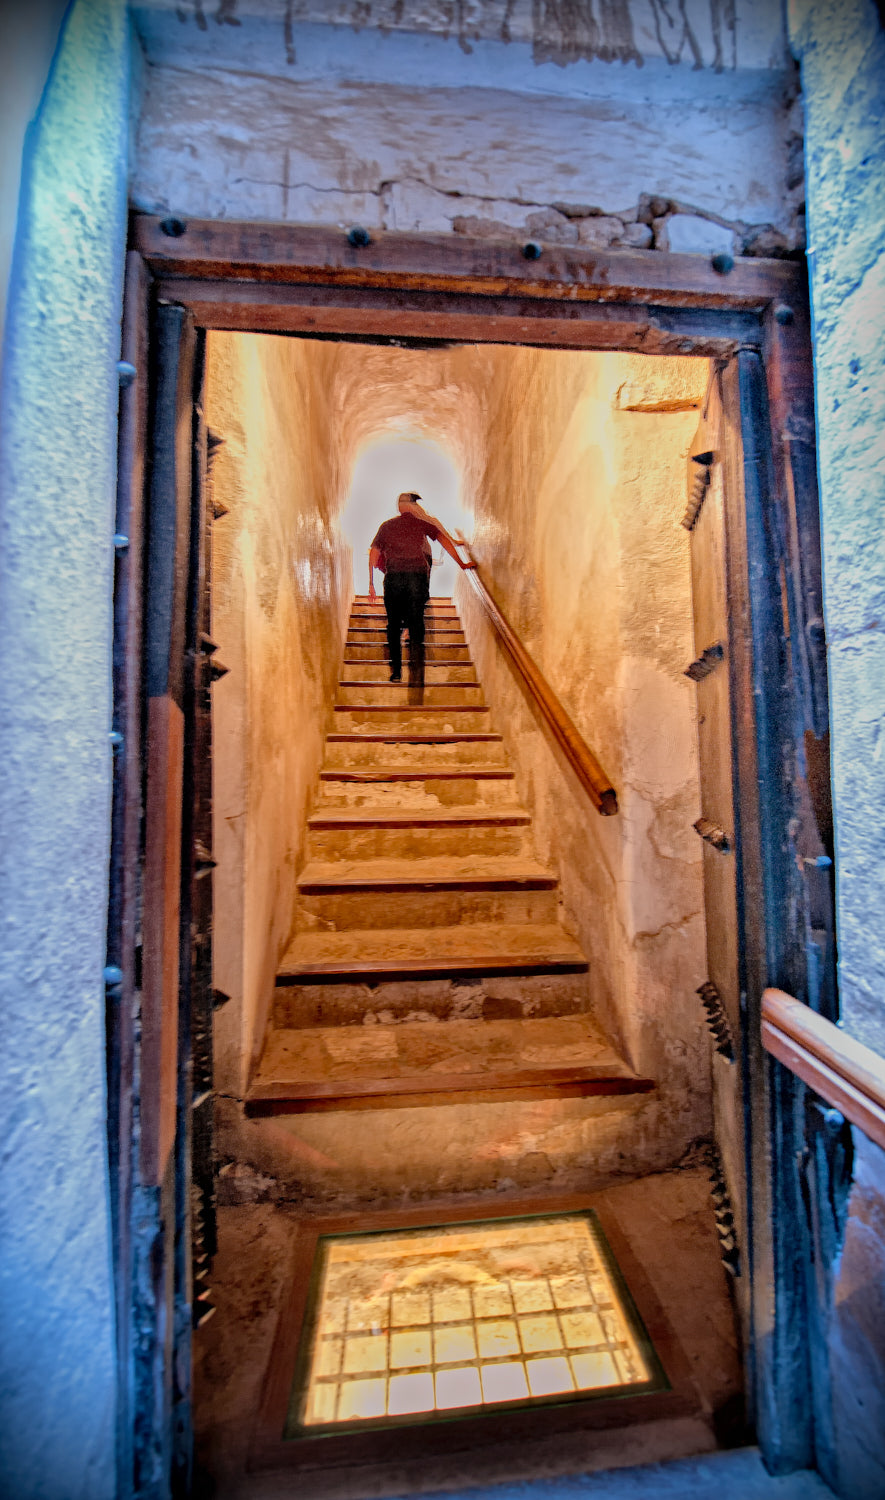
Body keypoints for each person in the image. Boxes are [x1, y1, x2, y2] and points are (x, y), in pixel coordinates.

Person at [368, 492, 473, 686]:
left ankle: (397, 671)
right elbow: (444, 541)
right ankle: (416, 668)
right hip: (417, 577)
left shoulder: (387, 526)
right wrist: (462, 564)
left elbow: (373, 555)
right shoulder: (421, 523)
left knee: (393, 626)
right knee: (416, 623)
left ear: (400, 507)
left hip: (394, 579)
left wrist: (371, 584)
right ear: (412, 507)